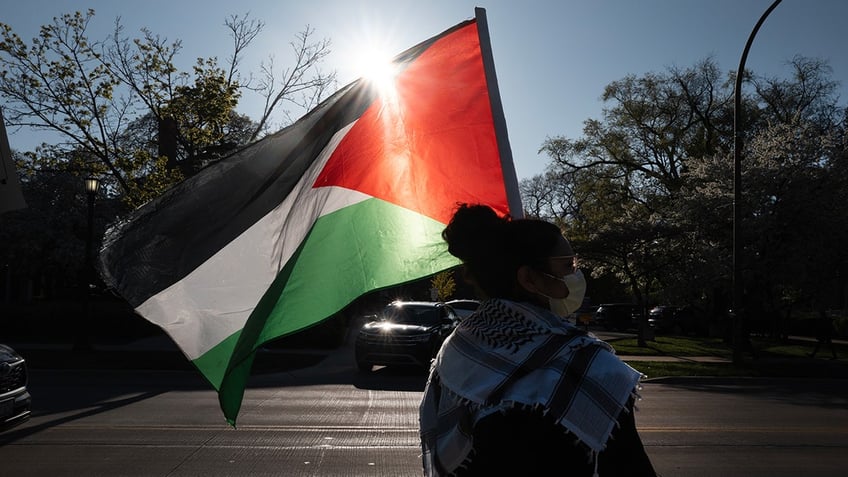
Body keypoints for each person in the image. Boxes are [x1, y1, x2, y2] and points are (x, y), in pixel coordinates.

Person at [419, 204, 657, 476]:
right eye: (568, 266)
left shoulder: (457, 350)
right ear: (528, 278)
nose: (577, 276)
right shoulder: (591, 368)